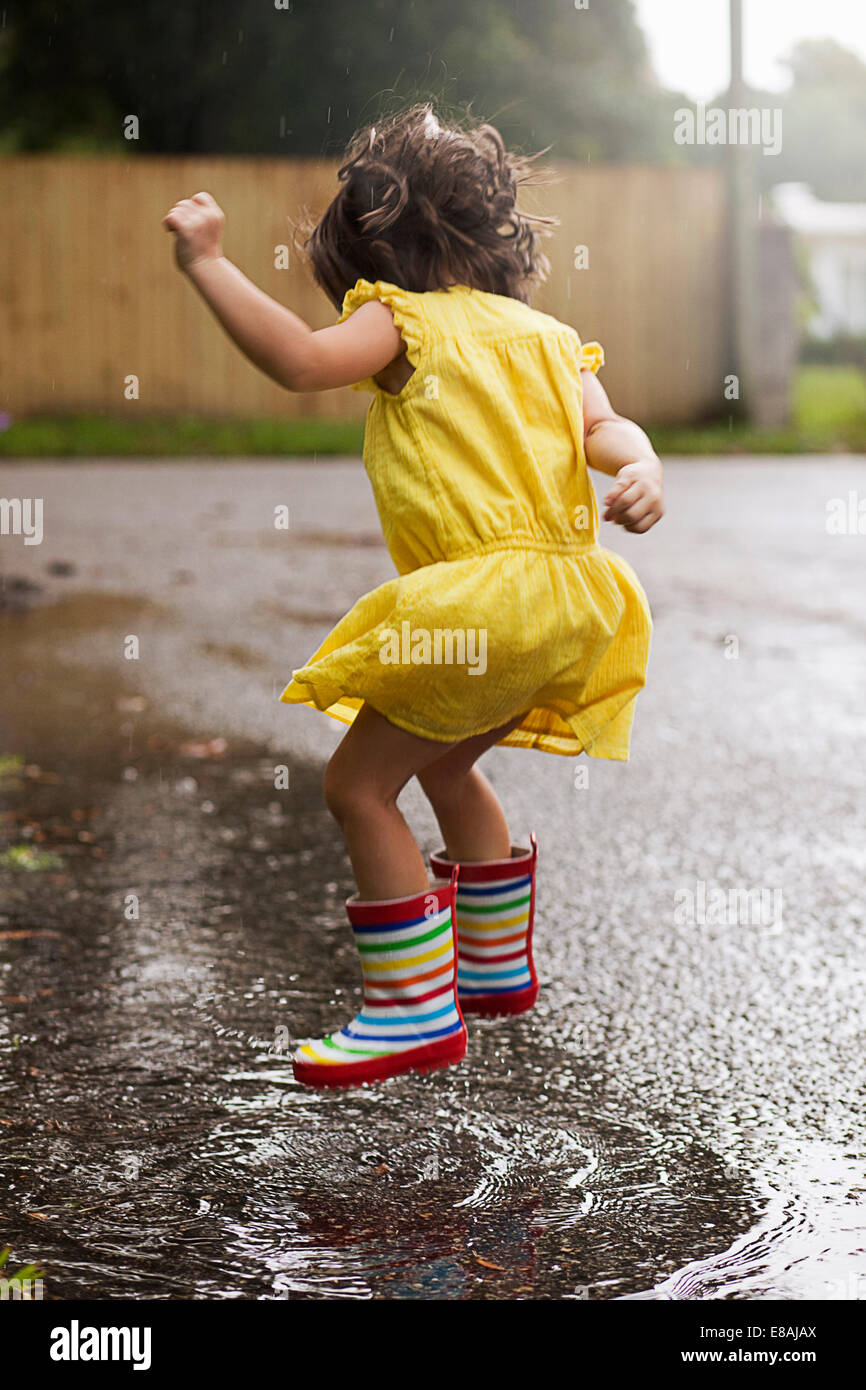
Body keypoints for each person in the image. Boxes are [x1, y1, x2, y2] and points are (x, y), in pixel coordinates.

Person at [162, 103, 663, 1090]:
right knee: (444, 766)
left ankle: (409, 1012)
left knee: (356, 786)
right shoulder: (547, 336)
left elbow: (300, 362)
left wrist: (207, 266)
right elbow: (608, 429)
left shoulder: (401, 319)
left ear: (368, 254)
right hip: (571, 604)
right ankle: (488, 964)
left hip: (477, 608)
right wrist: (642, 464)